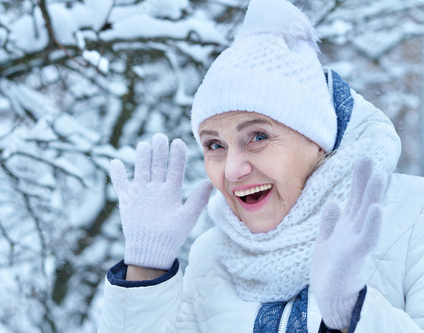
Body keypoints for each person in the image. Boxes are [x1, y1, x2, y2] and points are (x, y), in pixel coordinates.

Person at [98, 0, 424, 332]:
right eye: (215, 145)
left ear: (317, 139)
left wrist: (353, 314)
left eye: (257, 136)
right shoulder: (212, 259)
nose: (232, 170)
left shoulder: (413, 219)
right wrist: (145, 268)